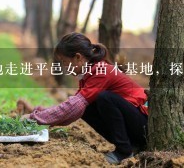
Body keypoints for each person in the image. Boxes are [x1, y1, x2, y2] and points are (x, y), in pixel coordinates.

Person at [19, 32, 148, 164]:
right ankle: (131, 145)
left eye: (64, 62)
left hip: (145, 125)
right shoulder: (89, 74)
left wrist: (33, 118)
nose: (64, 67)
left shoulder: (101, 71)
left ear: (78, 57)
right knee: (86, 107)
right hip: (135, 125)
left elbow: (72, 107)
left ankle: (124, 151)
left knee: (104, 98)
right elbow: (71, 107)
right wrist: (37, 112)